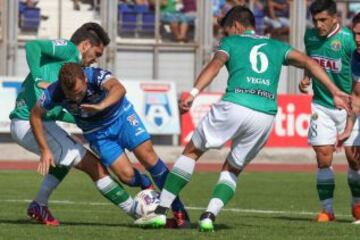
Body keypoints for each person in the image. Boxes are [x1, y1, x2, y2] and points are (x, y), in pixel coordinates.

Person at [133, 5, 351, 232]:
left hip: (235, 104)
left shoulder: (231, 42)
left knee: (192, 151)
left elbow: (215, 65)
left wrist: (194, 93)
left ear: (236, 26)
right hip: (265, 115)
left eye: (227, 30)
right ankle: (208, 216)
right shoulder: (277, 46)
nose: (225, 35)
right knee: (232, 169)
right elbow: (310, 62)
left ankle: (160, 212)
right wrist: (334, 90)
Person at [9, 22, 152, 226]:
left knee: (65, 162)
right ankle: (139, 213)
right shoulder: (69, 50)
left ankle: (39, 204)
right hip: (29, 122)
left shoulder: (70, 75)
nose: (95, 60)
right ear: (85, 45)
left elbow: (62, 113)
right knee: (95, 167)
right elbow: (33, 46)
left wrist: (86, 117)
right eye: (96, 52)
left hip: (33, 122)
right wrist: (38, 79)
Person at [30, 63, 191, 228]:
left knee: (148, 158)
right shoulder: (55, 91)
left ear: (84, 79)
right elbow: (35, 115)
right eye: (71, 95)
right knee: (126, 177)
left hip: (122, 117)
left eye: (79, 93)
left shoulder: (94, 75)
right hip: (98, 134)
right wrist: (44, 149)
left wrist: (101, 106)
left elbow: (119, 88)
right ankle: (145, 184)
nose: (76, 98)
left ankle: (179, 210)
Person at [298, 0, 360, 223]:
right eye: (315, 20)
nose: (319, 25)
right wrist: (306, 78)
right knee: (323, 157)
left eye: (323, 20)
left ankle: (357, 204)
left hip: (351, 106)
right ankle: (327, 210)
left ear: (335, 18)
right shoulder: (310, 37)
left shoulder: (349, 41)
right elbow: (310, 61)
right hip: (322, 105)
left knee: (355, 160)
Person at [336, 12, 360, 225]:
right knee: (352, 156)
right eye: (355, 34)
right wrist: (348, 128)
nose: (357, 39)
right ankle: (357, 202)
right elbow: (356, 95)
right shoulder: (356, 57)